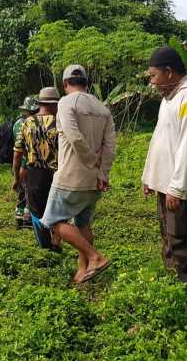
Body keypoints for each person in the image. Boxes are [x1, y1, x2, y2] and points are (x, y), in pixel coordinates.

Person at [142, 46, 187, 303]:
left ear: (169, 72)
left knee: (184, 239)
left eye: (153, 76)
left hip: (183, 189)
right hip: (166, 185)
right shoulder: (169, 98)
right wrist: (150, 176)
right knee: (170, 236)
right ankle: (175, 284)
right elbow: (161, 139)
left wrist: (178, 187)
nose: (152, 83)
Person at [37, 65, 116, 284]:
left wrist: (91, 161)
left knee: (53, 222)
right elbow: (110, 146)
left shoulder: (65, 103)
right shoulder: (103, 109)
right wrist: (102, 172)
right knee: (83, 223)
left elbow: (73, 136)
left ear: (64, 84)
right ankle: (83, 271)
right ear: (87, 83)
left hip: (70, 177)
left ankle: (95, 257)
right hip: (94, 181)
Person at [13, 87, 61, 250]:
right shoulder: (59, 122)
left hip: (35, 174)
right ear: (55, 104)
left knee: (36, 212)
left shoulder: (27, 123)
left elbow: (18, 153)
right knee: (58, 210)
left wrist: (16, 177)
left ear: (40, 103)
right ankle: (56, 240)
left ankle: (45, 247)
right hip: (58, 174)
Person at [12, 96, 39, 228]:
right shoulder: (33, 124)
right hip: (29, 162)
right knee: (30, 191)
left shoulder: (18, 123)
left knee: (22, 191)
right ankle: (28, 220)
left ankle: (20, 218)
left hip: (21, 161)